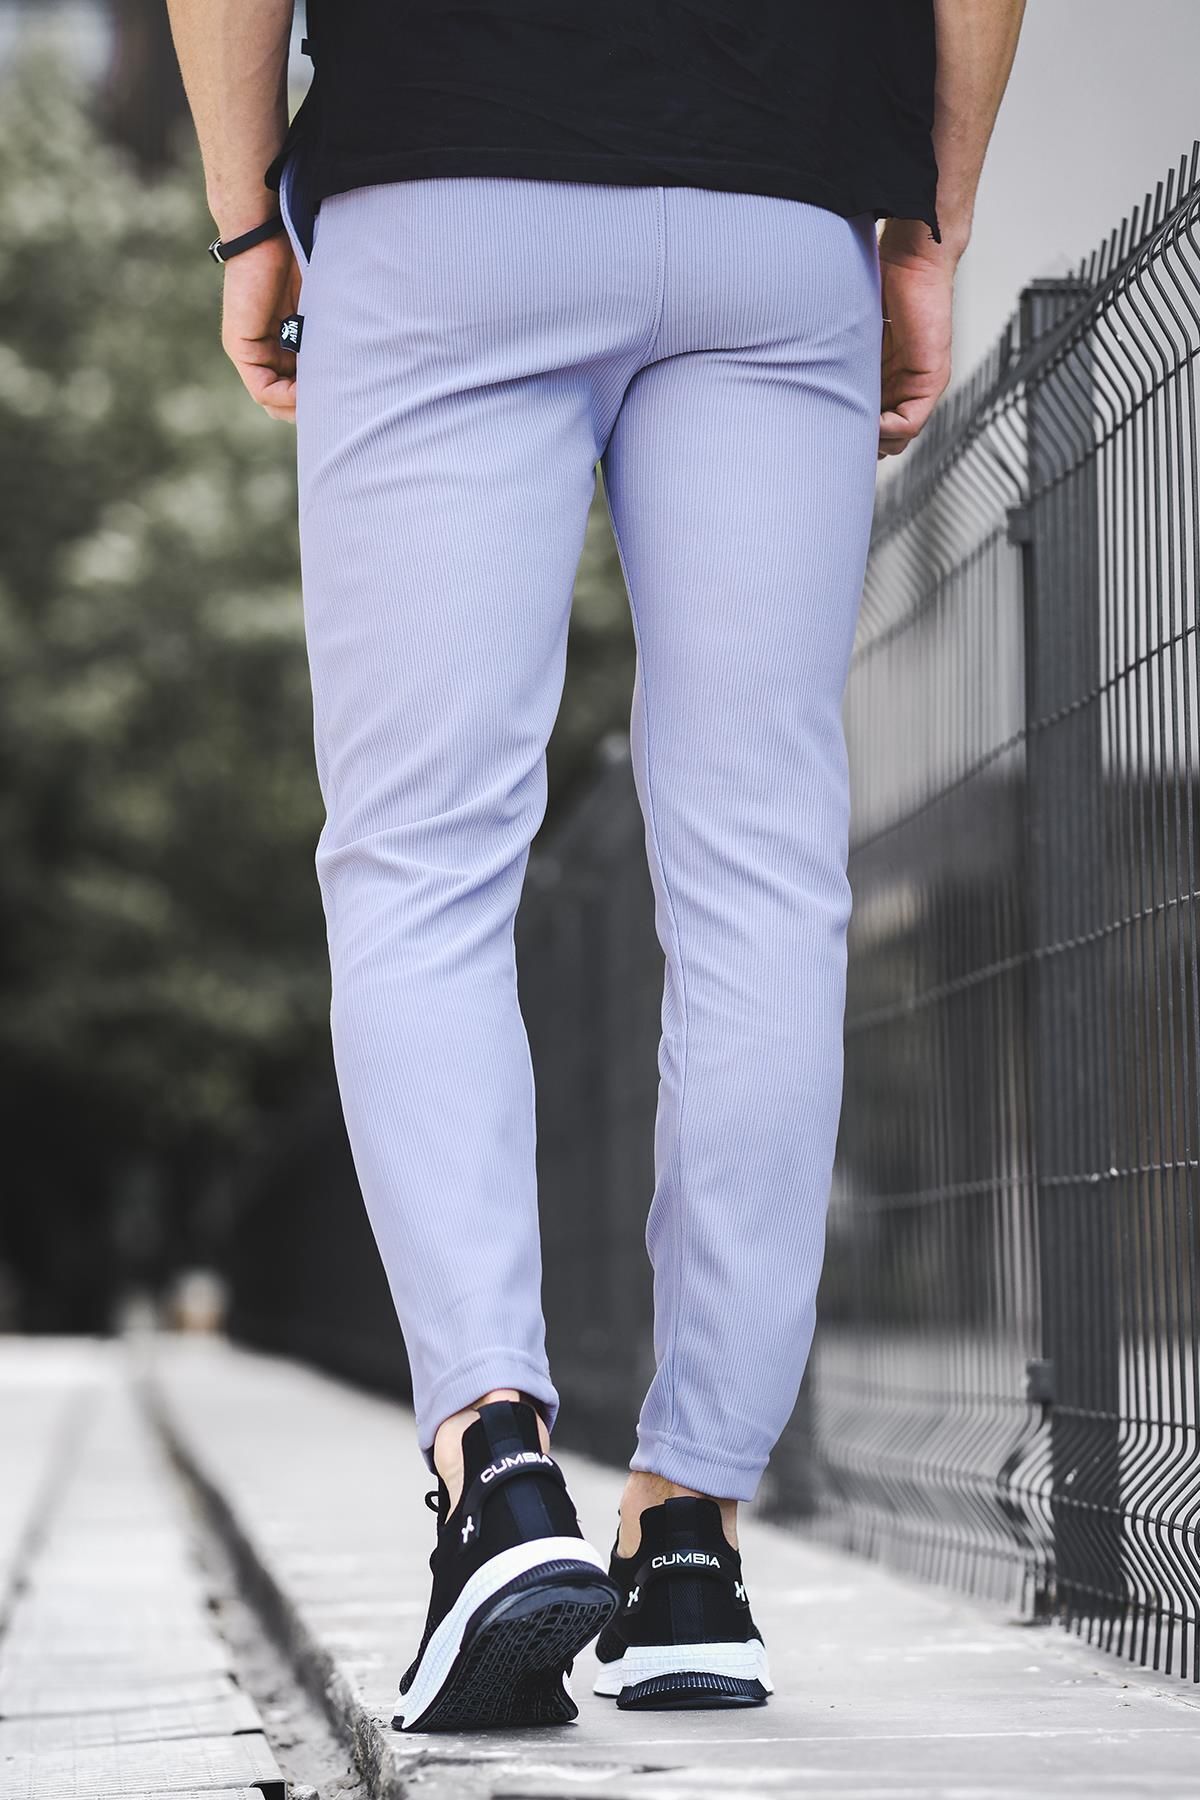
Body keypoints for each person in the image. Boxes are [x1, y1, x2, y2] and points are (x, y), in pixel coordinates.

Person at [168, 0, 1024, 1733]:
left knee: (419, 859)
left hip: (445, 170)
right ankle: (693, 1535)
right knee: (763, 871)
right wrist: (928, 222)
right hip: (780, 199)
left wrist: (248, 217)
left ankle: (496, 1468)